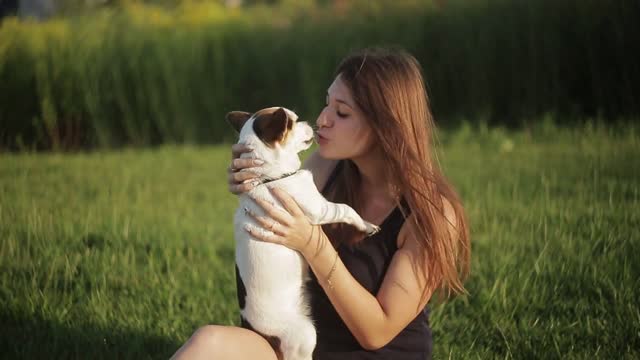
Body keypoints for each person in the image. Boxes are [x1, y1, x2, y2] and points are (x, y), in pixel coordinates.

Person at [171, 47, 470, 360]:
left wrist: (313, 245)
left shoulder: (432, 215)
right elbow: (272, 191)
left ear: (386, 126)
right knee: (209, 343)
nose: (323, 119)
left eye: (342, 113)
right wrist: (252, 177)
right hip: (299, 348)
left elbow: (377, 332)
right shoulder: (325, 168)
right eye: (328, 104)